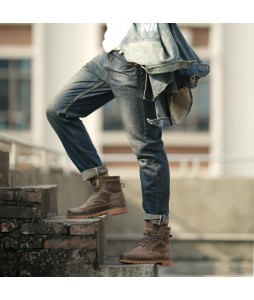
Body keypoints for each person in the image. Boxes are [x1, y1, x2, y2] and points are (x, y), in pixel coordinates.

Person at [46, 23, 209, 266]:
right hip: (109, 55)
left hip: (136, 59)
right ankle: (105, 189)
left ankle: (156, 237)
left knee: (147, 149)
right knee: (59, 111)